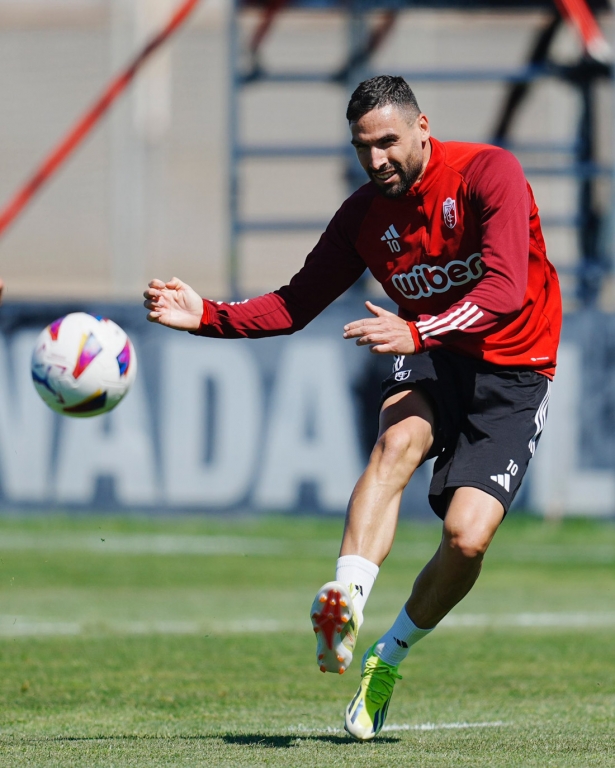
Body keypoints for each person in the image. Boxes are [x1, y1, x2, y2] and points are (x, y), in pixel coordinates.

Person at [143, 75, 561, 741]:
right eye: (363, 148)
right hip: (432, 355)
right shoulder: (364, 216)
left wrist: (418, 329)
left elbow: (507, 288)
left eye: (388, 143)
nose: (376, 161)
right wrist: (208, 316)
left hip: (514, 370)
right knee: (395, 445)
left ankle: (387, 656)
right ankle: (345, 601)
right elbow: (294, 302)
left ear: (424, 126)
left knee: (466, 538)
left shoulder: (489, 173)